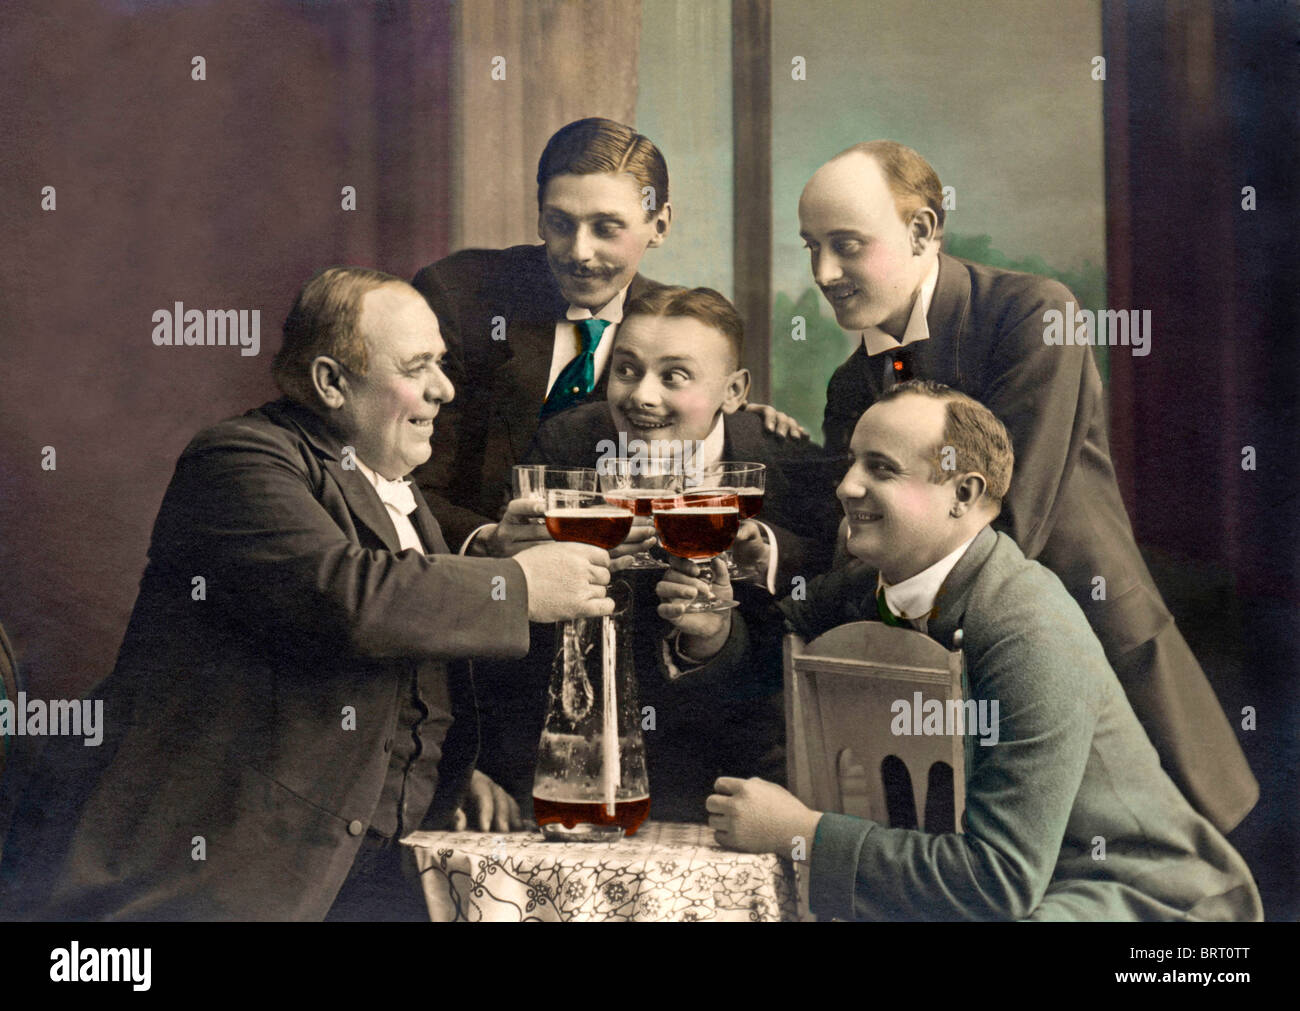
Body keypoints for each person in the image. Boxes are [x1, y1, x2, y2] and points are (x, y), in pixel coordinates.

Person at [0, 268, 613, 921]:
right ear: (329, 381)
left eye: (441, 362)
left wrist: (487, 550)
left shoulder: (384, 479)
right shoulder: (237, 460)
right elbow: (343, 593)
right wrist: (515, 584)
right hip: (218, 878)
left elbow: (393, 583)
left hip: (364, 874)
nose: (446, 388)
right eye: (419, 366)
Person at [663, 381, 1262, 921]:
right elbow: (768, 660)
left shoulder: (1027, 624)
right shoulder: (864, 581)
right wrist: (714, 632)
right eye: (852, 462)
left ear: (963, 491)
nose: (846, 486)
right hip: (995, 881)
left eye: (881, 468)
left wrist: (804, 834)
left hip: (1129, 892)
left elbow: (1001, 882)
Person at [799, 140, 1256, 834]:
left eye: (846, 245)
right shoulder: (851, 383)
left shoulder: (1032, 314)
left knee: (1159, 872)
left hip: (1087, 632)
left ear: (923, 230)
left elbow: (999, 523)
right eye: (811, 247)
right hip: (945, 671)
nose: (824, 272)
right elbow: (858, 541)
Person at [470, 287, 839, 820]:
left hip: (729, 776)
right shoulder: (567, 442)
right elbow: (522, 642)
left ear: (733, 391)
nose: (642, 396)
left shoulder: (783, 461)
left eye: (674, 376)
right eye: (626, 369)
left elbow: (797, 637)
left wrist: (757, 566)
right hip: (579, 769)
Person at [410, 117, 805, 552]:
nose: (580, 252)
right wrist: (489, 543)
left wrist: (738, 417)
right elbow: (400, 477)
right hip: (471, 566)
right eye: (560, 223)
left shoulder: (664, 323)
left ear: (660, 225)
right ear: (540, 219)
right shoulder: (460, 298)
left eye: (606, 228)